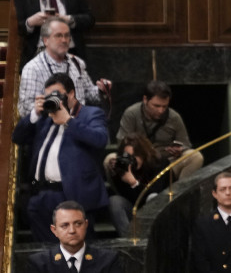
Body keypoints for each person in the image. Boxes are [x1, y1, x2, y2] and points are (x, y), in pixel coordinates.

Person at [12, 73, 109, 242]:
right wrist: (34, 113)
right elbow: (17, 137)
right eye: (49, 95)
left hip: (71, 195)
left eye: (57, 94)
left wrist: (68, 121)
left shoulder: (90, 114)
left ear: (71, 94)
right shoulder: (44, 119)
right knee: (47, 253)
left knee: (77, 249)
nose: (53, 99)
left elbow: (100, 139)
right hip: (40, 194)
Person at [18, 17, 111, 118]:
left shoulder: (77, 63)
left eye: (67, 36)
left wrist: (101, 90)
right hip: (49, 127)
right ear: (46, 40)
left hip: (79, 125)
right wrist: (47, 107)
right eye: (58, 36)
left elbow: (88, 93)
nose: (64, 40)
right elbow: (25, 109)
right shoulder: (33, 68)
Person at [116, 80, 203, 180]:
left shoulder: (174, 117)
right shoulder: (131, 114)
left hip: (166, 165)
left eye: (164, 106)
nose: (161, 111)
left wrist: (179, 150)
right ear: (145, 99)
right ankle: (128, 192)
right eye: (156, 106)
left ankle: (179, 193)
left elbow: (185, 144)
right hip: (138, 163)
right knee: (109, 159)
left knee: (195, 156)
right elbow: (122, 144)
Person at [27, 201, 121, 272]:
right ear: (54, 230)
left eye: (78, 224)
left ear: (86, 225)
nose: (72, 231)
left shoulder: (108, 260)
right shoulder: (39, 264)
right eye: (65, 225)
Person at [104, 133, 169, 237]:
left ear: (144, 153)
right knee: (114, 201)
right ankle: (128, 241)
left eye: (136, 155)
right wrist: (118, 175)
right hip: (135, 208)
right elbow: (128, 196)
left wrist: (134, 183)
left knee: (152, 197)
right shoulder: (123, 167)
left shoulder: (159, 163)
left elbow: (156, 197)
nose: (133, 160)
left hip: (159, 211)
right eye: (128, 156)